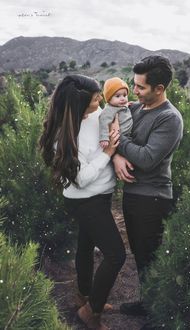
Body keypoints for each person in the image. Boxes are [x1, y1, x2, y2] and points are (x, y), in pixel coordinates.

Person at [39, 74, 126, 330]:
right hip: (85, 200)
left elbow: (108, 115)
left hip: (101, 195)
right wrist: (108, 153)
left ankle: (84, 296)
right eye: (95, 97)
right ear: (79, 104)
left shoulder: (96, 112)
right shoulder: (64, 137)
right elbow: (82, 179)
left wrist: (119, 111)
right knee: (116, 255)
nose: (100, 99)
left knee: (86, 246)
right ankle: (92, 312)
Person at [112, 56, 183, 330]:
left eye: (141, 87)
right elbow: (111, 123)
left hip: (152, 199)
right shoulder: (138, 108)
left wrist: (121, 141)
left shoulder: (169, 118)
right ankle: (147, 303)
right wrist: (118, 157)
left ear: (160, 88)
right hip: (134, 194)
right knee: (140, 256)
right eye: (135, 85)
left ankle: (158, 317)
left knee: (150, 257)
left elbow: (146, 158)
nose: (135, 91)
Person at [99, 77, 133, 148]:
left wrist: (126, 105)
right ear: (109, 99)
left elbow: (121, 108)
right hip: (119, 138)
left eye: (124, 95)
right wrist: (104, 138)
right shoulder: (108, 110)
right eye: (118, 96)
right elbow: (103, 122)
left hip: (128, 134)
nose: (122, 98)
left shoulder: (119, 105)